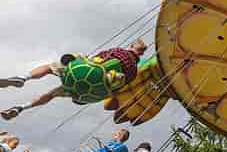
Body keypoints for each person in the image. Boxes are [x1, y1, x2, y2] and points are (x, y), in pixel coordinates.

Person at [0, 39, 148, 120]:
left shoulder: (119, 51)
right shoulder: (134, 72)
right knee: (51, 95)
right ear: (141, 54)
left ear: (132, 45)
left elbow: (97, 58)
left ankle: (23, 78)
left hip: (83, 73)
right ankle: (21, 108)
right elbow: (118, 90)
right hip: (90, 92)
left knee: (50, 67)